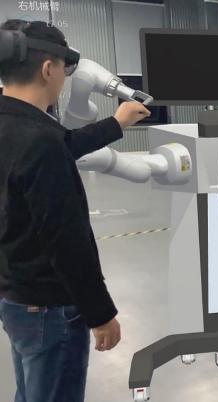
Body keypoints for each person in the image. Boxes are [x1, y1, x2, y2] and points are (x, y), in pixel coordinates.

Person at [0, 20, 150, 402]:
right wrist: (100, 314)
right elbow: (67, 240)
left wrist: (116, 123)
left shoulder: (17, 127)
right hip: (50, 308)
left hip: (15, 296)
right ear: (48, 69)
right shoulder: (39, 139)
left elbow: (62, 144)